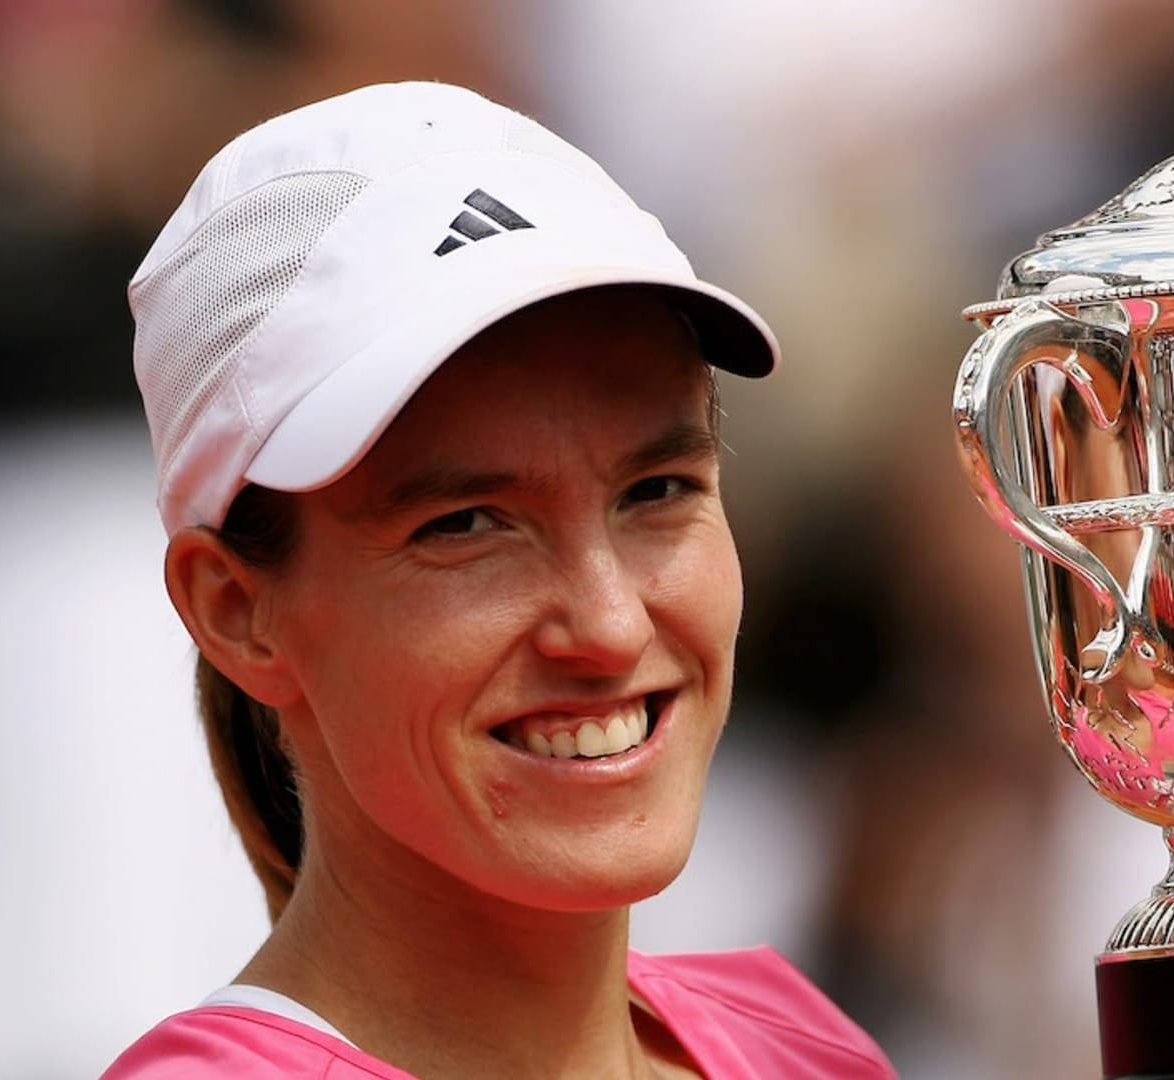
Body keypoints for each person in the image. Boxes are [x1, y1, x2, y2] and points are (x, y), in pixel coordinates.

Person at [100, 82, 898, 1079]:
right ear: (236, 611)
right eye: (467, 525)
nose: (608, 625)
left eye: (655, 489)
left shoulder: (797, 1041)